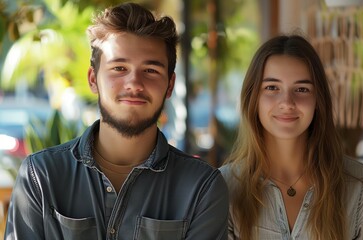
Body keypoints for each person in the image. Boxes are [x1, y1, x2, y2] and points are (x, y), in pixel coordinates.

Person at [5, 3, 228, 240]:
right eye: (119, 68)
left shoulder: (201, 187)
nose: (134, 83)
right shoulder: (42, 176)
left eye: (151, 70)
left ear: (170, 85)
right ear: (93, 79)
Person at [220, 34, 363, 239]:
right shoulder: (224, 186)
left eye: (302, 89)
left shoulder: (358, 184)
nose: (287, 102)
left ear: (318, 100)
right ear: (252, 98)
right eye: (272, 87)